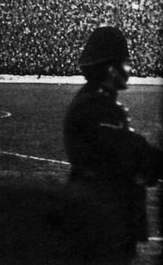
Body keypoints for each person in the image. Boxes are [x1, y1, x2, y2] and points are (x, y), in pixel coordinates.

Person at [63, 26, 161, 259]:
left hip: (104, 218)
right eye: (125, 64)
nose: (130, 69)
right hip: (102, 220)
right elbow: (129, 153)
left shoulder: (98, 102)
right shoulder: (95, 107)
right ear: (110, 68)